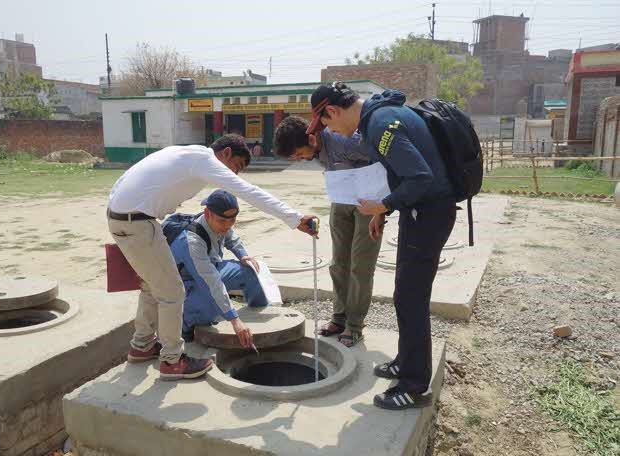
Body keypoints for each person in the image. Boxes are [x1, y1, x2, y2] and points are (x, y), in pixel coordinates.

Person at [107, 134, 318, 381]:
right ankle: (172, 361)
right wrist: (294, 218)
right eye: (236, 167)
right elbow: (248, 191)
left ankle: (141, 346)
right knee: (173, 293)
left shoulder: (186, 153)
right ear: (226, 153)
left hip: (123, 216)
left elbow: (128, 178)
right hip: (139, 223)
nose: (234, 175)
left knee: (151, 287)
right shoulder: (203, 161)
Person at [306, 82, 456, 410]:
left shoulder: (379, 125)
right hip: (419, 212)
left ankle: (415, 386)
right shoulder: (382, 114)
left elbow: (420, 177)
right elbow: (402, 173)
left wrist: (383, 203)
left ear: (332, 111)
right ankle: (405, 361)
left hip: (428, 215)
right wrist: (385, 211)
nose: (331, 131)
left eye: (327, 124)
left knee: (410, 298)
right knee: (406, 295)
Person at [273, 116, 382, 347]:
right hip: (341, 200)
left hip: (369, 203)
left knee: (360, 266)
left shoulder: (345, 141)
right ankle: (339, 319)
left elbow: (383, 163)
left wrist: (381, 210)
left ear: (312, 139)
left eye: (300, 154)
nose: (300, 160)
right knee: (338, 264)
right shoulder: (317, 148)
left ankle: (354, 326)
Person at [169, 189, 268, 346]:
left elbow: (232, 239)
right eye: (223, 222)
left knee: (251, 270)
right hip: (188, 283)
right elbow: (211, 282)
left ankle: (257, 311)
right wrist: (234, 320)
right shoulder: (192, 242)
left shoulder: (221, 221)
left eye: (232, 221)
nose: (227, 226)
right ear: (207, 213)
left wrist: (243, 255)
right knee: (212, 307)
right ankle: (185, 327)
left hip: (211, 268)